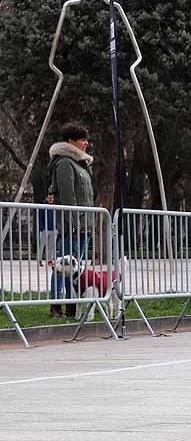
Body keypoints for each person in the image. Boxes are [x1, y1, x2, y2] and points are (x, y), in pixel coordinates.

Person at [47, 122, 95, 318]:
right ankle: (56, 303)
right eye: (82, 139)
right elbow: (69, 198)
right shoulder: (65, 163)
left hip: (84, 225)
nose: (86, 143)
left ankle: (72, 304)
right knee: (63, 266)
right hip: (72, 226)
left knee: (76, 267)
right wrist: (74, 224)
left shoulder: (81, 163)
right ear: (71, 141)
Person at [37, 193, 58, 267]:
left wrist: (56, 228)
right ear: (46, 198)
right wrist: (42, 228)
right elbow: (40, 218)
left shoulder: (55, 206)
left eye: (52, 198)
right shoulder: (42, 206)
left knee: (51, 246)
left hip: (53, 229)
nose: (51, 199)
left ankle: (49, 260)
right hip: (45, 229)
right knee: (42, 245)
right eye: (49, 198)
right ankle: (39, 260)